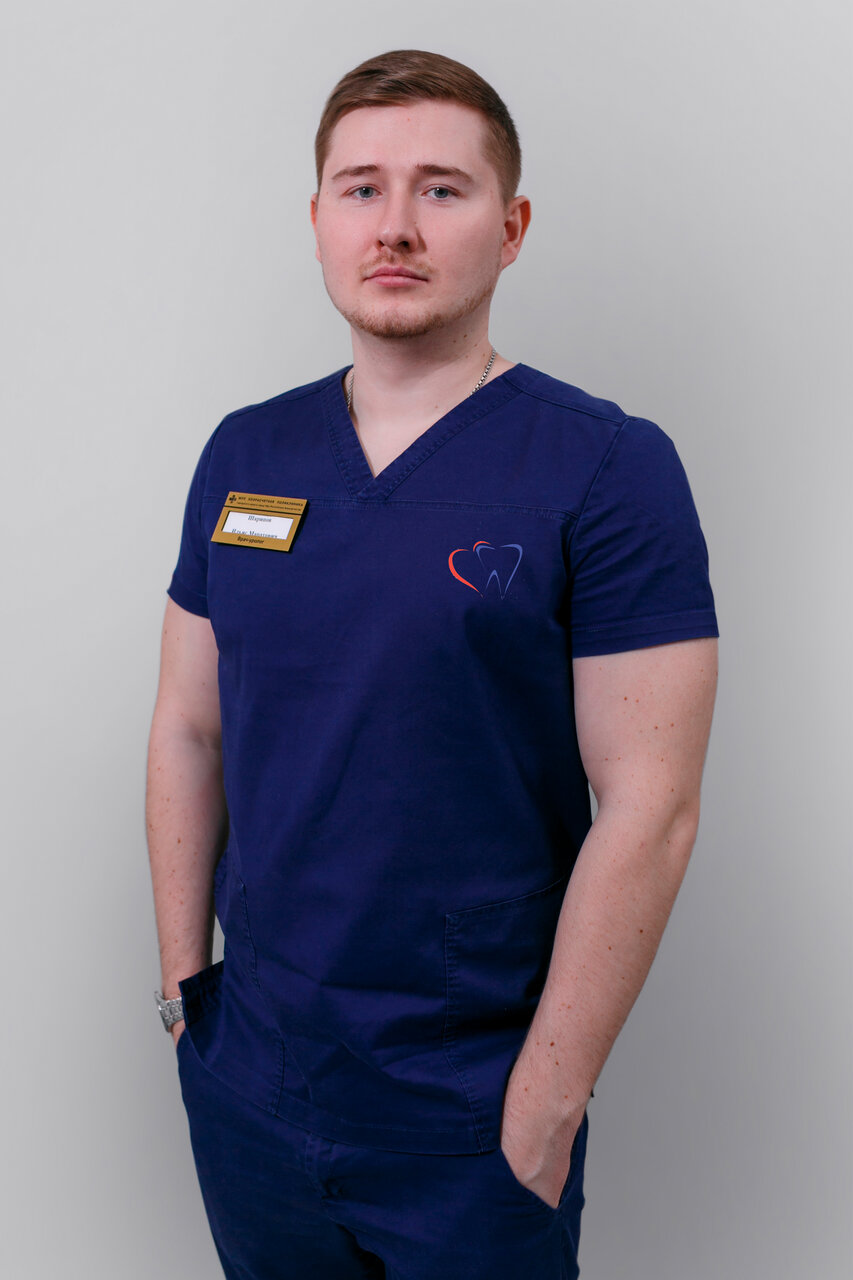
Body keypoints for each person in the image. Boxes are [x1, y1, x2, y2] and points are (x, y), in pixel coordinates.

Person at [146, 48, 719, 1280]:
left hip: (471, 1104)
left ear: (510, 228)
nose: (395, 225)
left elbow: (651, 804)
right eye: (361, 188)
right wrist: (186, 992)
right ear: (317, 219)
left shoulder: (606, 467)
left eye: (441, 189)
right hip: (252, 1080)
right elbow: (189, 725)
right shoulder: (246, 453)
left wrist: (544, 1104)